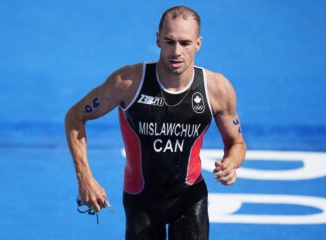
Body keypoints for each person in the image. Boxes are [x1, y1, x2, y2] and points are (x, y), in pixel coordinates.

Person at [65, 5, 246, 240]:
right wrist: (85, 178)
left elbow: (236, 143)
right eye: (169, 41)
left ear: (198, 43)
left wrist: (231, 163)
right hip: (141, 201)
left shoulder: (217, 89)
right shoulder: (128, 82)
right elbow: (75, 117)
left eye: (185, 43)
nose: (177, 51)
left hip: (190, 198)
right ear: (158, 40)